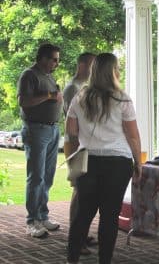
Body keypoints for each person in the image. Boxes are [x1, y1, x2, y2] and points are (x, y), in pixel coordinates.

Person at [66, 53, 142, 264]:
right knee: (109, 216)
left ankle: (71, 260)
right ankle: (104, 261)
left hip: (88, 160)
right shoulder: (122, 99)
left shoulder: (79, 97)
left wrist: (73, 158)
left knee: (83, 215)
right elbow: (133, 135)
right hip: (117, 163)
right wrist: (138, 162)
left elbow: (71, 132)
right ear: (113, 71)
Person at [17, 43, 63, 238]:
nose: (57, 63)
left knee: (48, 176)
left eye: (58, 60)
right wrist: (50, 95)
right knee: (36, 177)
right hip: (36, 129)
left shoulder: (49, 76)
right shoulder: (30, 75)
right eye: (54, 59)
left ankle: (43, 216)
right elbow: (24, 101)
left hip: (52, 130)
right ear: (43, 58)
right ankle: (32, 221)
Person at [63, 52, 96, 255]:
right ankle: (76, 239)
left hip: (84, 144)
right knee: (79, 191)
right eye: (92, 65)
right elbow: (72, 125)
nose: (94, 70)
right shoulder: (72, 89)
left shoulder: (86, 88)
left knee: (86, 192)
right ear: (82, 64)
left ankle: (82, 235)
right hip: (75, 144)